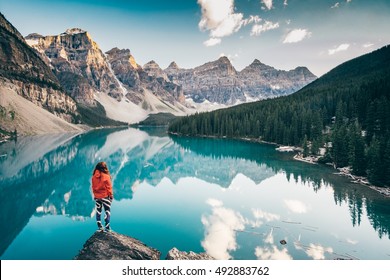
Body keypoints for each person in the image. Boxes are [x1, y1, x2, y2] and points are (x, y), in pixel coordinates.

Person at [91, 162, 113, 232]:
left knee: (98, 211)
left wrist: (95, 195)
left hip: (97, 197)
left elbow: (93, 187)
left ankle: (100, 227)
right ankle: (107, 227)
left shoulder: (93, 176)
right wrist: (111, 195)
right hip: (105, 196)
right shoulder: (106, 176)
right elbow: (109, 187)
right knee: (107, 212)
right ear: (105, 168)